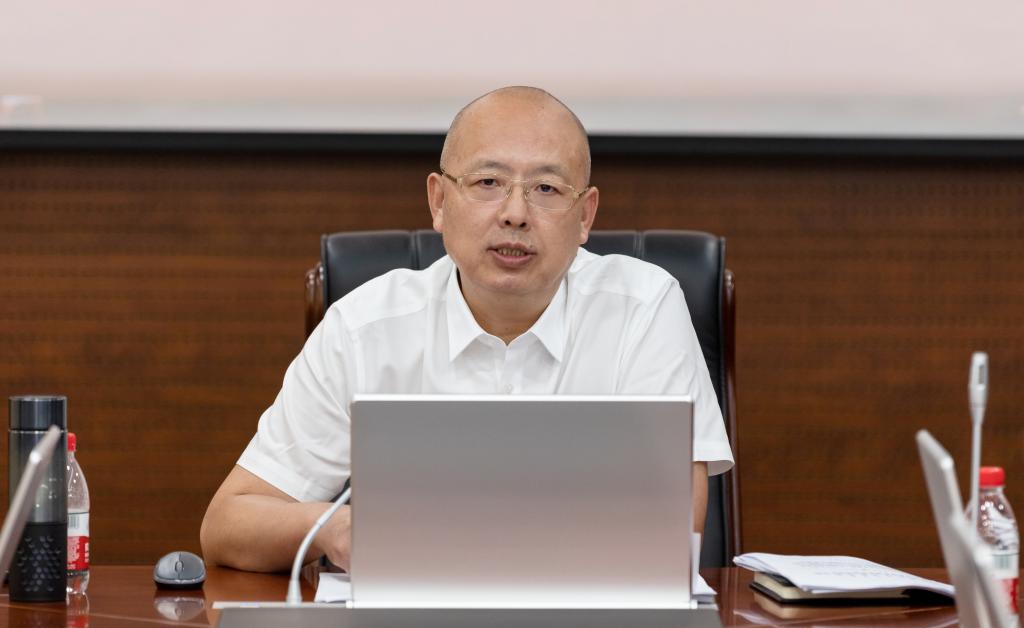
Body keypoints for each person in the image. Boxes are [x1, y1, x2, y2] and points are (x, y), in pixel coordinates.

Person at [200, 86, 733, 572]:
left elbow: (670, 536)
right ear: (439, 201)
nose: (515, 214)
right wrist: (332, 528)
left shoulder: (643, 309)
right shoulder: (365, 328)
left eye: (546, 188)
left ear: (585, 216)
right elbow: (228, 524)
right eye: (488, 182)